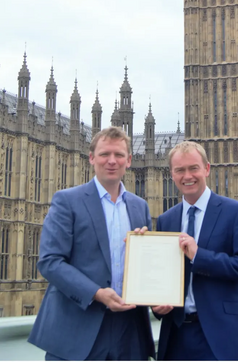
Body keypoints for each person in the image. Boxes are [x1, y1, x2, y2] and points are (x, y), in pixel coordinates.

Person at [28, 126, 155, 361]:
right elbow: (50, 261)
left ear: (129, 161)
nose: (112, 161)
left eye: (119, 155)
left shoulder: (140, 207)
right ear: (91, 157)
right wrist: (96, 293)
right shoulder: (67, 200)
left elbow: (145, 268)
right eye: (105, 154)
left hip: (129, 332)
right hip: (78, 328)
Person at [154, 141, 238, 361]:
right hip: (176, 336)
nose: (187, 176)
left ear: (206, 168)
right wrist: (157, 306)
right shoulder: (166, 220)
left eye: (193, 168)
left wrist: (199, 256)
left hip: (221, 337)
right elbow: (162, 277)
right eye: (180, 170)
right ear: (172, 174)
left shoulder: (235, 212)